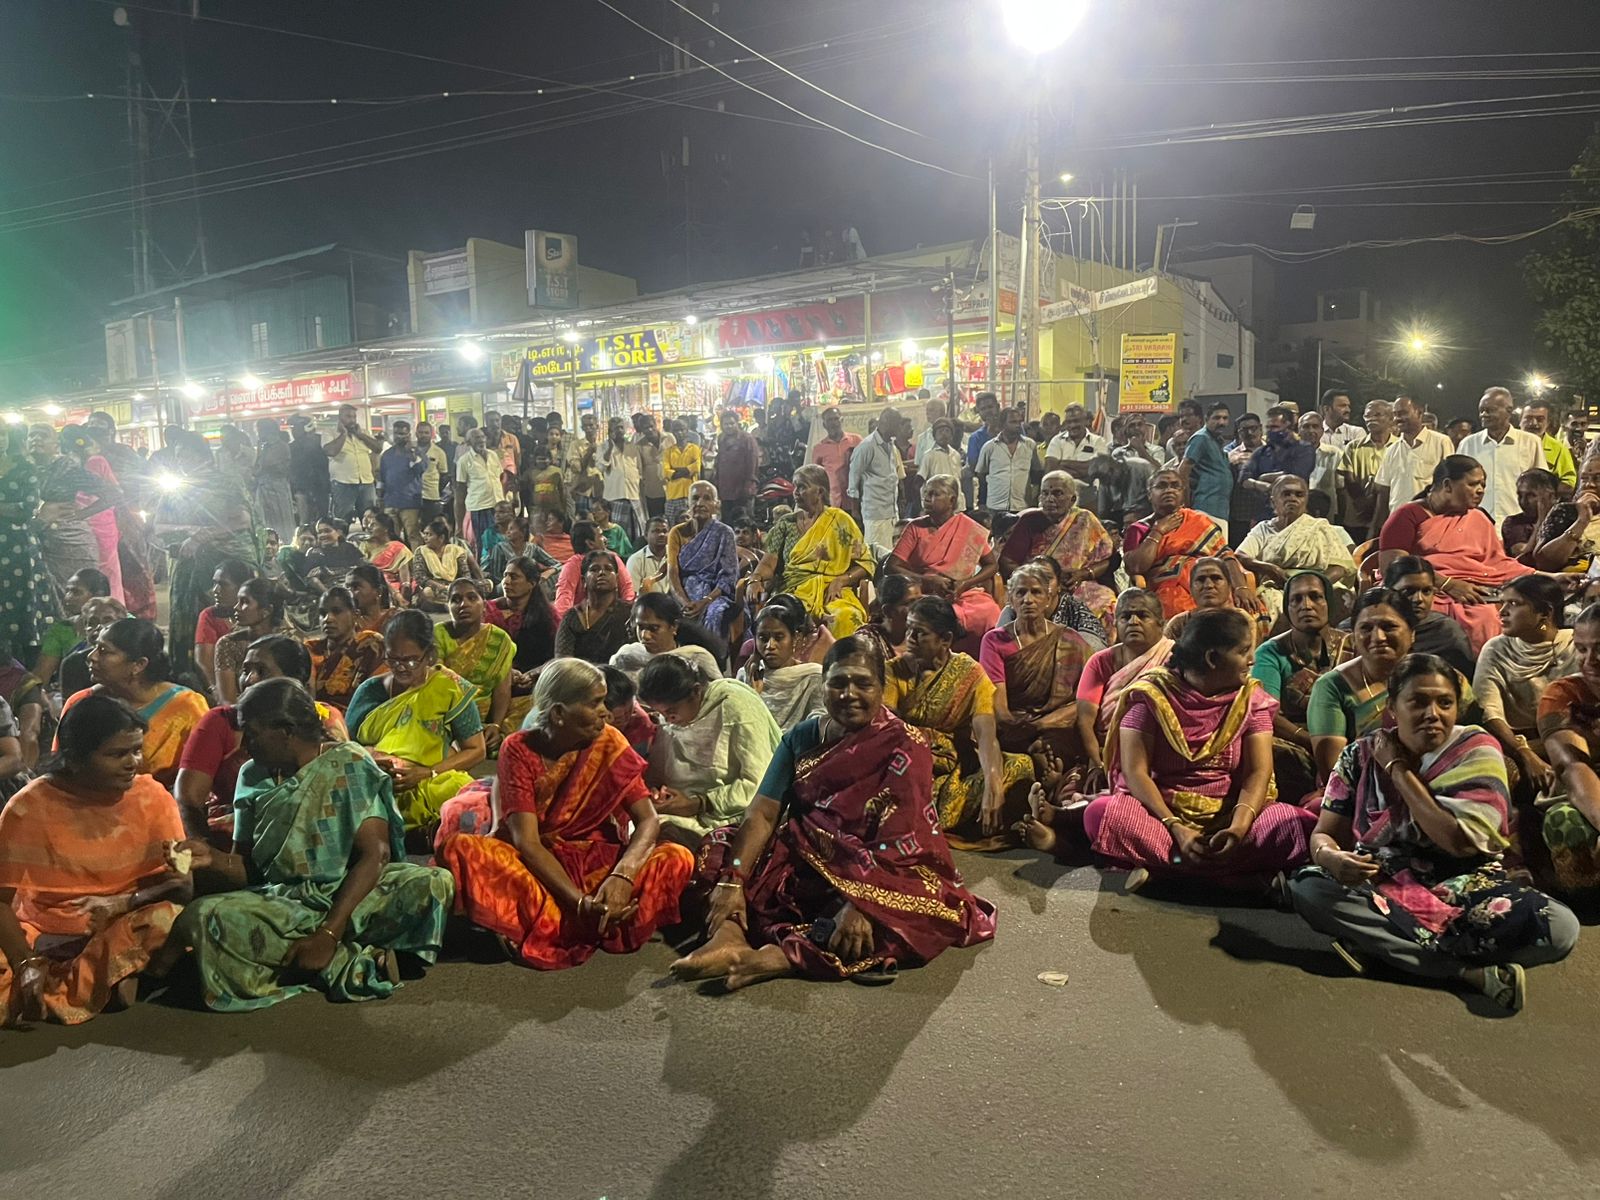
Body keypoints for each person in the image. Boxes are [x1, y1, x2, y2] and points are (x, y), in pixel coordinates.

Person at [670, 637, 996, 988]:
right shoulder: (802, 737)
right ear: (823, 685)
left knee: (918, 911)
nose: (849, 693)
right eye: (838, 682)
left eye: (863, 683)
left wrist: (862, 904)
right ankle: (729, 935)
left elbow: (900, 840)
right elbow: (763, 812)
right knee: (722, 844)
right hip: (808, 854)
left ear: (881, 689)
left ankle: (779, 956)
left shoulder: (905, 743)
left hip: (883, 865)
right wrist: (732, 880)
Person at [1290, 654, 1578, 1012]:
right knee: (1309, 887)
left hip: (1465, 883)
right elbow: (1323, 834)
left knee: (1561, 928)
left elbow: (1456, 842)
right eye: (1418, 702)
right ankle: (1468, 972)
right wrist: (1331, 857)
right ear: (1393, 707)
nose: (1433, 713)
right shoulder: (1360, 755)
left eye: (1445, 703)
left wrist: (1397, 769)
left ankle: (1381, 947)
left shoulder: (1475, 749)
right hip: (1383, 879)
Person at [162, 678, 453, 1010]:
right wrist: (212, 859)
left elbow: (377, 855)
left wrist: (329, 931)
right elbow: (252, 871)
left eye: (253, 734)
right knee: (205, 915)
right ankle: (349, 962)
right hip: (285, 901)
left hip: (352, 892)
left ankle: (319, 954)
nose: (246, 745)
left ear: (286, 731)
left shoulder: (349, 763)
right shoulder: (251, 777)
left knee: (432, 883)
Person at [436, 659, 692, 969]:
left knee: (677, 857)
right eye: (595, 703)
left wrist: (623, 875)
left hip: (598, 862)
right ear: (558, 713)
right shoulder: (517, 749)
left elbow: (648, 819)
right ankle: (594, 919)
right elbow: (527, 843)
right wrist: (580, 902)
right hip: (541, 863)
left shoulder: (609, 741)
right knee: (461, 849)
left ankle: (553, 921)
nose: (606, 713)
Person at [1052, 609, 1315, 894]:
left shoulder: (1251, 699)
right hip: (1164, 818)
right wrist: (1177, 828)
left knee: (1300, 824)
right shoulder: (1151, 696)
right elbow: (1135, 772)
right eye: (1242, 651)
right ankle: (1235, 882)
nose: (1251, 660)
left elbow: (1257, 772)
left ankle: (1168, 876)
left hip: (1231, 816)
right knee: (1103, 814)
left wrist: (1238, 830)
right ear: (1212, 659)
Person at [0, 694, 190, 1025]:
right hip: (42, 930)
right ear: (74, 759)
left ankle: (71, 984)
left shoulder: (155, 797)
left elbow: (185, 885)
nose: (133, 762)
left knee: (165, 919)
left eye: (135, 750)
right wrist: (25, 963)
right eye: (117, 754)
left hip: (122, 922)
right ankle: (91, 982)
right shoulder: (26, 808)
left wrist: (122, 902)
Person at [885, 595, 1031, 849]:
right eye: (908, 629)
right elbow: (888, 728)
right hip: (909, 762)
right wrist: (928, 741)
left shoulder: (970, 674)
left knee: (1020, 765)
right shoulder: (893, 671)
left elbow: (986, 735)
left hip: (956, 765)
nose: (910, 638)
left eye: (919, 632)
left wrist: (992, 785)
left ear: (946, 640)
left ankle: (970, 811)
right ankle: (953, 818)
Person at [176, 634, 347, 843]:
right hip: (231, 836)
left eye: (261, 671)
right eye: (246, 670)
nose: (250, 679)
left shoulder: (325, 717)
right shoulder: (221, 721)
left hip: (318, 832)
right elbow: (189, 798)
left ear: (293, 679)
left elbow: (341, 779)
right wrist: (203, 848)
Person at [1378, 455, 1536, 654]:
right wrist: (1448, 584)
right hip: (1421, 590)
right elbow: (1392, 567)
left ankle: (1481, 675)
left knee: (1486, 614)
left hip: (1472, 588)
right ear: (1447, 485)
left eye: (1482, 485)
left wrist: (1547, 577)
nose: (1480, 490)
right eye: (1472, 484)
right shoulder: (1408, 515)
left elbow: (1497, 563)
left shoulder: (1477, 517)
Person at [346, 611, 485, 832]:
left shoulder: (448, 687)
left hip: (427, 780)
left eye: (410, 660)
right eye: (393, 659)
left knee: (462, 789)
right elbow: (346, 746)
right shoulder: (370, 691)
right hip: (376, 782)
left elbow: (476, 750)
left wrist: (427, 772)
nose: (400, 667)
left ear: (429, 655)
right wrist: (375, 758)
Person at [636, 655, 781, 850]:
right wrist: (660, 794)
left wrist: (700, 803)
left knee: (661, 836)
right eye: (660, 714)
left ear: (696, 691)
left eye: (671, 712)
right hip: (683, 810)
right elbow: (660, 773)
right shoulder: (671, 716)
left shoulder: (734, 704)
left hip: (732, 813)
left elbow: (759, 784)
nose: (668, 720)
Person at [59, 618, 208, 789]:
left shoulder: (187, 707)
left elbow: (201, 775)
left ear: (138, 664)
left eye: (104, 651)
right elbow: (65, 768)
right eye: (95, 648)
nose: (91, 656)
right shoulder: (81, 703)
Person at [1251, 570, 1350, 806]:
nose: (1306, 605)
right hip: (1297, 740)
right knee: (1267, 748)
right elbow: (1266, 712)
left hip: (1347, 737)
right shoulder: (1270, 652)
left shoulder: (1352, 645)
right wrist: (1313, 742)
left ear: (1329, 602)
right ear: (1287, 608)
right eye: (1296, 599)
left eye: (1315, 596)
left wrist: (1334, 744)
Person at [980, 561, 1097, 756]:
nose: (1028, 599)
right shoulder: (995, 641)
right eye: (1020, 593)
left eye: (1036, 592)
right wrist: (1021, 729)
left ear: (1048, 598)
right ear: (1010, 599)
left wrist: (1043, 724)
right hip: (1015, 727)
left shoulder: (1069, 639)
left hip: (1057, 724)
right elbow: (1000, 711)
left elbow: (1088, 696)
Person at [1473, 575, 1576, 792]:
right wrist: (1525, 753)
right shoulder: (1496, 649)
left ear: (1545, 613)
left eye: (1514, 604)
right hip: (1516, 743)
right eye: (1503, 603)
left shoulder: (1576, 644)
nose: (1502, 612)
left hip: (1572, 738)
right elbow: (1490, 712)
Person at [748, 465, 875, 639]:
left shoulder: (841, 521)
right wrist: (755, 579)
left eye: (802, 487)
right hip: (793, 590)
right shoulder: (786, 523)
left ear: (820, 492)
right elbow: (769, 562)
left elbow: (865, 563)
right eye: (795, 486)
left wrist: (841, 580)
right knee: (785, 617)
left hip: (832, 590)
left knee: (844, 616)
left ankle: (840, 664)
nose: (796, 492)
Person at [1122, 468, 1261, 620]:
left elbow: (1225, 555)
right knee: (1179, 607)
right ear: (1150, 494)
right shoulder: (1139, 529)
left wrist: (1241, 587)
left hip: (1209, 581)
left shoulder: (1199, 521)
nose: (1169, 490)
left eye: (1175, 486)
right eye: (1162, 486)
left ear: (1183, 493)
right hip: (1166, 589)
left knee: (1250, 611)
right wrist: (1158, 531)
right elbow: (1137, 566)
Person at [1075, 589, 1172, 792]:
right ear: (1116, 623)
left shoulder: (1174, 659)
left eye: (1143, 615)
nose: (1133, 622)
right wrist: (1098, 763)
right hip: (1105, 753)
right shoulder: (1100, 661)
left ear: (1160, 623)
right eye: (1125, 616)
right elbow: (1086, 722)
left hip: (1157, 755)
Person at [884, 474, 1001, 640]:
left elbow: (992, 565)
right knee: (935, 616)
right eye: (926, 494)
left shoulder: (969, 527)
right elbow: (891, 567)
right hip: (924, 593)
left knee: (989, 612)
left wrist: (965, 584)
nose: (927, 499)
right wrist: (927, 580)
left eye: (935, 494)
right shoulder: (915, 528)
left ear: (952, 501)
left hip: (961, 592)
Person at [1537, 602, 1600, 894]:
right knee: (1564, 821)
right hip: (1586, 794)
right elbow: (1573, 767)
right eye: (1582, 649)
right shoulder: (1562, 695)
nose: (1590, 660)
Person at [1234, 475, 1357, 624]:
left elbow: (1340, 567)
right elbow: (1240, 556)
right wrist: (1270, 569)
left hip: (1321, 584)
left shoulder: (1320, 527)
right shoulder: (1263, 529)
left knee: (1342, 600)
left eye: (1299, 495)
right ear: (1274, 501)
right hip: (1279, 587)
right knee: (1271, 610)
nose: (1292, 498)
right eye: (1286, 494)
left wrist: (1313, 586)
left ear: (1306, 501)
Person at [1000, 470, 1117, 625]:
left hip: (1078, 584)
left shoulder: (1085, 519)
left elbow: (1110, 559)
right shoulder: (1029, 520)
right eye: (1045, 493)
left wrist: (1083, 573)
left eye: (1057, 493)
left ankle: (1091, 646)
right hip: (1037, 585)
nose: (1049, 499)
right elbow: (1007, 561)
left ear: (1072, 499)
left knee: (1106, 602)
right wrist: (1037, 579)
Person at [28, 424, 120, 596]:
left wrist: (80, 514)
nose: (36, 439)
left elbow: (113, 493)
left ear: (56, 445)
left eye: (43, 435)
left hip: (70, 543)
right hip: (38, 542)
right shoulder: (21, 469)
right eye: (32, 435)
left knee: (77, 599)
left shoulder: (66, 466)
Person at [434, 578, 514, 751]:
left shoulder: (499, 639)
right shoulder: (439, 633)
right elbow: (438, 681)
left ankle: (485, 735)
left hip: (485, 713)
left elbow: (503, 689)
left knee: (534, 707)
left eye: (472, 598)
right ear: (447, 606)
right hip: (448, 712)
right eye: (455, 600)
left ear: (484, 605)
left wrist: (495, 724)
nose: (463, 604)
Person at [0, 427, 55, 664]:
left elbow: (28, 508)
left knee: (22, 606)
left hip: (18, 549)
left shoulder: (24, 466)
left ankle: (28, 674)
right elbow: (17, 507)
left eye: (2, 433)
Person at [1457, 386, 1547, 527]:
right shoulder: (1468, 444)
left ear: (1509, 411)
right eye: (1481, 410)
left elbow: (1542, 487)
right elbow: (1458, 487)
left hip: (1520, 527)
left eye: (1489, 410)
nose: (1483, 415)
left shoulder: (1531, 442)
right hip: (1476, 526)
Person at [1369, 394, 1456, 537]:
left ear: (1420, 412)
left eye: (1403, 413)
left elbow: (1450, 486)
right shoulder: (1392, 450)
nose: (1398, 418)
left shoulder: (1441, 442)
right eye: (1395, 414)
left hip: (1431, 524)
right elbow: (1384, 492)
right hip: (1398, 524)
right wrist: (1376, 528)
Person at [667, 481, 740, 638]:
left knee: (715, 613)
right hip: (683, 592)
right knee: (663, 613)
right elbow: (672, 573)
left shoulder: (725, 532)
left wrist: (705, 601)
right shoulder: (676, 532)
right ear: (688, 502)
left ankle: (712, 658)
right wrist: (685, 603)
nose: (700, 503)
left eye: (707, 498)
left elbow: (728, 576)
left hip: (715, 595)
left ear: (716, 505)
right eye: (695, 498)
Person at [738, 602, 826, 730]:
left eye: (779, 637)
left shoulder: (812, 676)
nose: (770, 646)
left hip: (798, 746)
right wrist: (754, 695)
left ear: (795, 638)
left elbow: (819, 718)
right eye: (763, 638)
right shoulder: (747, 675)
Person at [491, 554, 557, 725]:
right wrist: (507, 674)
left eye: (514, 577)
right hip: (492, 684)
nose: (506, 581)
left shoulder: (548, 617)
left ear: (532, 583)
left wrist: (533, 674)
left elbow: (559, 656)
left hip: (533, 685)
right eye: (505, 575)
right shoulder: (488, 612)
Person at [610, 592, 725, 682]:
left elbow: (718, 695)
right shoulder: (627, 657)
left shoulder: (697, 658)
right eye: (640, 627)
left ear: (674, 627)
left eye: (654, 628)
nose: (645, 636)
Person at [304, 586, 385, 710]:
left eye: (336, 611)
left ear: (355, 615)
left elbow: (378, 693)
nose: (328, 619)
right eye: (322, 613)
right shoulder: (310, 649)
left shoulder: (370, 644)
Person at [213, 577, 290, 704]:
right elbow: (227, 701)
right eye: (238, 601)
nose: (236, 607)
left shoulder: (288, 644)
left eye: (244, 602)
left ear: (266, 611)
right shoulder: (228, 643)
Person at [32, 566, 110, 692]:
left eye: (76, 592)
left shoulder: (127, 624)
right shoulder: (63, 629)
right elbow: (41, 676)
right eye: (67, 591)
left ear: (98, 595)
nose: (67, 597)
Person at [1239, 405, 1315, 524]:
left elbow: (1293, 477)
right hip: (1263, 515)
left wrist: (1261, 477)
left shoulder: (1304, 449)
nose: (1269, 431)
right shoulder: (1261, 452)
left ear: (1288, 426)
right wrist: (1261, 485)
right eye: (1268, 427)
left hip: (1293, 514)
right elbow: (1244, 479)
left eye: (1274, 427)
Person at [555, 550, 634, 665]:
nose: (602, 572)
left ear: (617, 579)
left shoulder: (629, 613)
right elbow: (562, 661)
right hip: (578, 678)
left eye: (608, 569)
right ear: (583, 580)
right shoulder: (572, 616)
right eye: (594, 569)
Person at [553, 519, 636, 622]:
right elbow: (564, 599)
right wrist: (567, 624)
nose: (605, 539)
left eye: (608, 569)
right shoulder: (572, 566)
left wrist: (626, 615)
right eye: (600, 536)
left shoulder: (612, 559)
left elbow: (627, 590)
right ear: (590, 543)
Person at [1337, 400, 1396, 541]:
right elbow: (1348, 478)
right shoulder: (1353, 447)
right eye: (1367, 416)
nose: (1371, 419)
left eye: (1377, 415)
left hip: (1387, 517)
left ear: (1391, 418)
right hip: (1357, 517)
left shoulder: (1398, 447)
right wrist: (1363, 503)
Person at [847, 407, 905, 549]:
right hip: (875, 515)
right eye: (898, 424)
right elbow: (853, 483)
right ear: (887, 423)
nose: (899, 428)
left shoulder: (891, 445)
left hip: (891, 513)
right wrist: (855, 512)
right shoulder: (866, 446)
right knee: (876, 557)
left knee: (891, 555)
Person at [1179, 402, 1235, 537]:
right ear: (1206, 419)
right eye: (1217, 418)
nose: (1221, 422)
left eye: (1225, 418)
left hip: (1220, 510)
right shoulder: (1201, 438)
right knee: (1206, 555)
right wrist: (1186, 505)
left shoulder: (1217, 441)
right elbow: (1182, 471)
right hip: (1205, 508)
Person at [973, 406, 1035, 520]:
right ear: (1002, 424)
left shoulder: (1030, 445)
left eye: (1019, 422)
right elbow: (981, 475)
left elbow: (1036, 473)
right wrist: (982, 502)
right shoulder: (989, 447)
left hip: (1021, 505)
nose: (1017, 425)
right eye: (1012, 422)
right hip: (995, 506)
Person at [413, 517, 486, 612]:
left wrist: (454, 587)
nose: (425, 537)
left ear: (441, 538)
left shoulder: (455, 550)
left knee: (486, 584)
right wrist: (440, 587)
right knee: (427, 592)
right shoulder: (421, 551)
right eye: (425, 534)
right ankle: (449, 606)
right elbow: (420, 577)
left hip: (455, 585)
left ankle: (452, 604)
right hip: (434, 586)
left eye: (429, 534)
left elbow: (465, 575)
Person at [323, 405, 382, 521]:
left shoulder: (363, 433)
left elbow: (377, 448)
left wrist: (360, 435)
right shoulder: (329, 433)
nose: (352, 420)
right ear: (340, 418)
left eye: (354, 417)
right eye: (348, 416)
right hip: (343, 483)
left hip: (366, 482)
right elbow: (330, 451)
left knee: (370, 517)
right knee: (343, 518)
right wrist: (343, 434)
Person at [454, 425, 506, 552]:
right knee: (483, 543)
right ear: (468, 442)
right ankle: (484, 570)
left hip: (498, 505)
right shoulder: (464, 461)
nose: (481, 440)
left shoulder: (493, 455)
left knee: (502, 541)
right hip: (479, 507)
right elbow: (460, 491)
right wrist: (459, 524)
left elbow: (500, 477)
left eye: (482, 437)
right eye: (476, 438)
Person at [375, 419, 426, 544]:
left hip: (410, 502)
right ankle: (396, 562)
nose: (399, 437)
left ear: (409, 435)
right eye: (396, 433)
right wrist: (380, 497)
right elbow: (381, 476)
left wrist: (412, 453)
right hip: (390, 501)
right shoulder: (387, 454)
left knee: (413, 535)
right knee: (391, 536)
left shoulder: (417, 452)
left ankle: (418, 562)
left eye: (402, 434)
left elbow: (420, 469)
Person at [858, 573, 919, 662]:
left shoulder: (924, 638)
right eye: (910, 603)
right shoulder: (866, 641)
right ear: (888, 611)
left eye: (920, 600)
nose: (919, 607)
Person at [808, 406, 860, 510]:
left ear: (842, 420)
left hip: (855, 501)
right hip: (833, 502)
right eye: (829, 420)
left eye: (836, 419)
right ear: (824, 425)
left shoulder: (856, 441)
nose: (833, 423)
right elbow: (815, 478)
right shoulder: (819, 448)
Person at [1520, 400, 1576, 493]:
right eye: (1528, 418)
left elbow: (1569, 482)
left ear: (1548, 422)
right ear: (1520, 421)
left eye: (1540, 419)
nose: (1533, 423)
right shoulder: (1507, 444)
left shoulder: (1559, 449)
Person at [714, 408, 759, 524]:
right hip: (725, 490)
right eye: (726, 424)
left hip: (742, 489)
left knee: (743, 521)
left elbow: (752, 463)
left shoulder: (747, 439)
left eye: (731, 423)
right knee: (727, 521)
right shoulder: (721, 439)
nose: (729, 426)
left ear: (737, 423)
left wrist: (749, 484)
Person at [1503, 468, 1560, 558]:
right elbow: (1523, 555)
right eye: (1520, 495)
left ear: (1551, 496)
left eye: (1531, 495)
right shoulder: (1513, 523)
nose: (1523, 501)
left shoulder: (1564, 520)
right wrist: (1542, 521)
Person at [287, 416, 330, 526]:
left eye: (297, 427)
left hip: (320, 486)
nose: (293, 431)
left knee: (322, 519)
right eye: (293, 428)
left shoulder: (321, 441)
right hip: (301, 489)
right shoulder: (291, 447)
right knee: (304, 522)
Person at [363, 509, 414, 601]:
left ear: (385, 529)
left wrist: (405, 587)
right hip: (370, 581)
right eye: (370, 524)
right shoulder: (365, 545)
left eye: (374, 524)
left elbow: (404, 573)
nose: (369, 527)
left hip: (393, 583)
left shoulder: (398, 547)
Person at [303, 515, 366, 588]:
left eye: (327, 531)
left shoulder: (349, 547)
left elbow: (364, 567)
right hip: (328, 593)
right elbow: (311, 580)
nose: (323, 535)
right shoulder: (314, 553)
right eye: (319, 532)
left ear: (339, 532)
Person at [661, 423, 702, 528]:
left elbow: (696, 467)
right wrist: (687, 470)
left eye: (682, 430)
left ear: (687, 431)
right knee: (672, 526)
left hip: (690, 494)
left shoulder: (694, 449)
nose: (679, 433)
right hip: (673, 495)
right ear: (672, 432)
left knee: (692, 526)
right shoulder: (668, 451)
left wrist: (675, 470)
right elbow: (666, 472)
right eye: (676, 430)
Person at [627, 517, 672, 596]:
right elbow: (634, 594)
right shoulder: (635, 560)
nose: (661, 535)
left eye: (665, 531)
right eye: (656, 531)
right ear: (646, 535)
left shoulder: (676, 555)